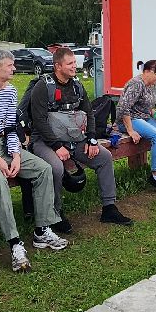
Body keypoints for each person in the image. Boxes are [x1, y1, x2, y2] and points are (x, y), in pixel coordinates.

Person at [0, 50, 69, 273]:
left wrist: (17, 155)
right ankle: (15, 243)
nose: (14, 69)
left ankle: (42, 229)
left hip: (5, 147)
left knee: (43, 169)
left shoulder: (10, 91)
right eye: (10, 65)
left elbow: (11, 128)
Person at [26, 47, 133, 228]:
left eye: (75, 62)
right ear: (58, 66)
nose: (75, 66)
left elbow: (89, 113)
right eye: (70, 63)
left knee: (104, 157)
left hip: (74, 138)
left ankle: (109, 208)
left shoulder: (77, 85)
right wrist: (56, 145)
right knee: (56, 168)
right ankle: (55, 214)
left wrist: (91, 139)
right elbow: (39, 120)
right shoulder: (43, 86)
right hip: (45, 141)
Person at [120, 60, 156, 192]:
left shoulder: (151, 84)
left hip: (144, 118)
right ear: (148, 72)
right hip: (129, 119)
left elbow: (149, 107)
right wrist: (131, 130)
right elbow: (123, 108)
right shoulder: (136, 84)